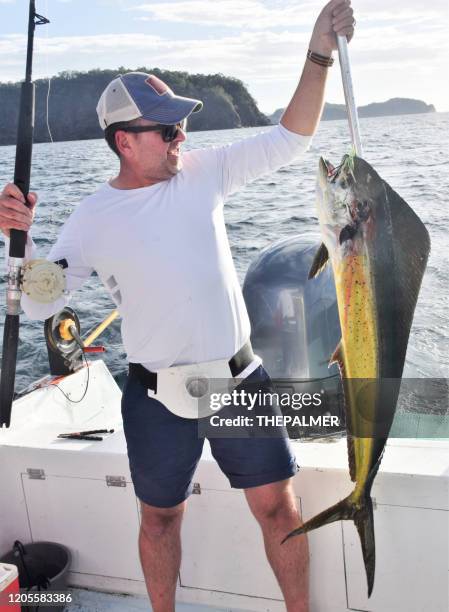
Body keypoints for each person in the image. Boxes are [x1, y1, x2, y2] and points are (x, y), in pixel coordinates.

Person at [0, 1, 355, 610]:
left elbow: (291, 136)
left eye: (179, 126)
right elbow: (39, 305)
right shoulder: (91, 218)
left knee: (277, 508)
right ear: (124, 142)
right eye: (166, 130)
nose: (180, 137)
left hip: (239, 382)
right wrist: (21, 239)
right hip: (156, 397)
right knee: (159, 520)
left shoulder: (203, 172)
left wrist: (318, 51)